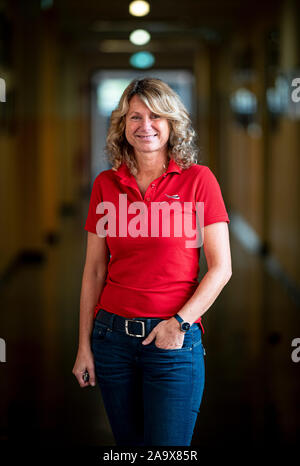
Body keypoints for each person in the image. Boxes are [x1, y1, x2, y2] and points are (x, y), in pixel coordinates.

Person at [72, 77, 232, 446]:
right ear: (123, 126)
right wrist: (84, 346)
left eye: (157, 116)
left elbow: (221, 266)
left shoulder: (198, 181)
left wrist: (179, 324)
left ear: (173, 123)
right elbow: (94, 270)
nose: (146, 126)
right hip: (110, 339)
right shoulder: (106, 185)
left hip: (172, 341)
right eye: (135, 117)